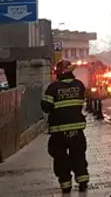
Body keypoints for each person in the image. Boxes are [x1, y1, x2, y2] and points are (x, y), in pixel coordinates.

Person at [41, 59, 90, 193]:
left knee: (60, 158)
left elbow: (46, 107)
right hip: (77, 130)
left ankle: (66, 186)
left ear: (58, 73)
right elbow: (82, 102)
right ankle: (83, 182)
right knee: (79, 155)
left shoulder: (53, 88)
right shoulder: (79, 85)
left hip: (59, 131)